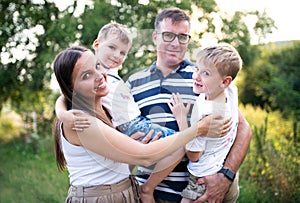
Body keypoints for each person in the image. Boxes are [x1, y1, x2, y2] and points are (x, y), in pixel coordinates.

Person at [52, 46, 229, 203]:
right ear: (72, 88)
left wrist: (128, 154)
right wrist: (198, 129)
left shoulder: (104, 105)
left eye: (97, 66)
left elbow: (63, 97)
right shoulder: (81, 122)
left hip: (124, 190)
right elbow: (145, 157)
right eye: (86, 75)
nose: (99, 76)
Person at [126, 7, 252, 203]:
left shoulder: (206, 76)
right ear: (154, 37)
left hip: (195, 192)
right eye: (168, 35)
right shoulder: (133, 83)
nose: (176, 43)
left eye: (182, 37)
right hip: (147, 192)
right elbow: (120, 132)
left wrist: (226, 176)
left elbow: (243, 128)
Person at [55, 22, 175, 141]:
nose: (117, 55)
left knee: (174, 143)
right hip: (130, 125)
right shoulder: (93, 74)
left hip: (139, 121)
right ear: (97, 45)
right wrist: (63, 115)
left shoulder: (112, 71)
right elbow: (64, 96)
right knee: (176, 140)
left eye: (123, 53)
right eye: (112, 47)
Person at [168, 43, 242, 202]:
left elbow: (194, 155)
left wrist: (181, 118)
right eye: (197, 69)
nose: (196, 77)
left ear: (224, 81)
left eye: (206, 73)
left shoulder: (204, 113)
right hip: (220, 172)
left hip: (201, 182)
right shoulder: (231, 92)